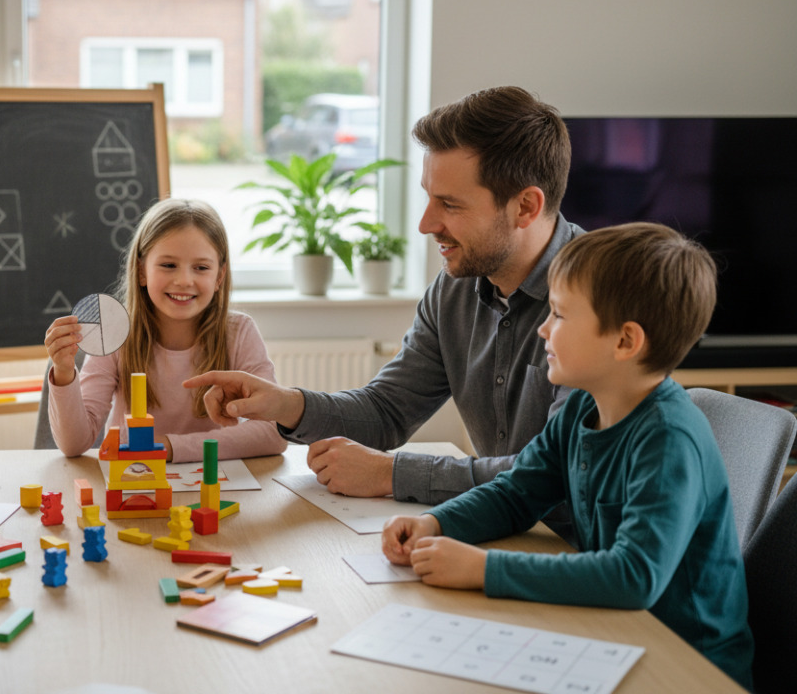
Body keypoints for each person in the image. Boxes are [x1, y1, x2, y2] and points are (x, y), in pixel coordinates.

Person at [381, 223, 753, 690]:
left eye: (558, 315)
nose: (542, 328)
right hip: (619, 633)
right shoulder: (581, 404)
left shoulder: (668, 440)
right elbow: (517, 495)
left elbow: (632, 576)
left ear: (624, 342)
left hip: (688, 665)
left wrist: (483, 568)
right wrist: (438, 523)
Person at [187, 86, 582, 506]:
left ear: (525, 207)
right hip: (503, 534)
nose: (426, 224)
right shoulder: (455, 289)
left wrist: (392, 474)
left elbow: (552, 474)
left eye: (449, 204)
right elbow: (387, 411)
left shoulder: (603, 304)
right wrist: (285, 405)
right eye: (428, 198)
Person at [45, 198, 288, 462]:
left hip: (210, 486)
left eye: (201, 268)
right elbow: (74, 444)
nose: (184, 280)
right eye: (168, 265)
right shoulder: (115, 334)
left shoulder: (239, 332)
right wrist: (64, 372)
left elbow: (272, 432)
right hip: (134, 485)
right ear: (141, 271)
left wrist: (168, 448)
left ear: (219, 276)